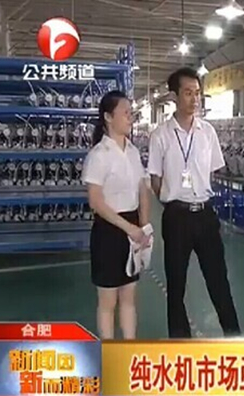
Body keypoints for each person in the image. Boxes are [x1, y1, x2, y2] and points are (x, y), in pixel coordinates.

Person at [147, 67, 241, 339]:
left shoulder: (207, 132)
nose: (194, 99)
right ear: (174, 96)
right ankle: (180, 342)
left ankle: (235, 338)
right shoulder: (161, 135)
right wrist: (174, 200)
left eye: (198, 93)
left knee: (218, 280)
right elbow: (155, 180)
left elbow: (212, 170)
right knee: (176, 284)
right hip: (176, 216)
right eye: (188, 93)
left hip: (205, 215)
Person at [82, 90, 152, 340]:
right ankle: (109, 352)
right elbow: (96, 201)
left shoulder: (133, 151)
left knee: (129, 296)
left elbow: (143, 189)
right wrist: (128, 228)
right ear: (108, 117)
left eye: (131, 113)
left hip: (133, 227)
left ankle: (129, 348)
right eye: (125, 113)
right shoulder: (99, 155)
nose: (130, 117)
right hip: (109, 230)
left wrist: (144, 226)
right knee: (108, 299)